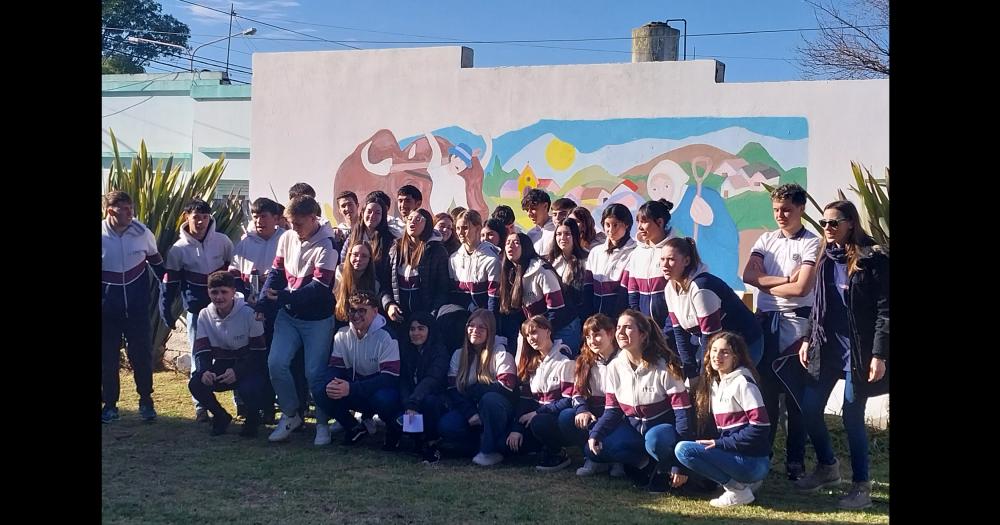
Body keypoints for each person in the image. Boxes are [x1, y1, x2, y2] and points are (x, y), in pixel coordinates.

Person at [793, 200, 889, 510]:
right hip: (826, 347)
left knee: (851, 416)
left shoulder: (873, 259)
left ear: (851, 223)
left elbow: (885, 311)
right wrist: (807, 337)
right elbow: (818, 303)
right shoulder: (825, 256)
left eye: (834, 223)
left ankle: (861, 485)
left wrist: (879, 354)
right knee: (809, 409)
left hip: (858, 352)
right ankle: (828, 467)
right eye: (823, 223)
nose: (828, 228)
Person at [741, 183, 820, 481]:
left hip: (797, 325)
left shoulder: (812, 242)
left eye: (787, 209)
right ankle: (764, 455)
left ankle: (796, 460)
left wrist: (766, 281)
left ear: (801, 208)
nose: (780, 215)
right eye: (776, 209)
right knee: (766, 395)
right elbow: (749, 275)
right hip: (765, 321)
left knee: (795, 397)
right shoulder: (766, 238)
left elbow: (803, 289)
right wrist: (785, 278)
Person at [257, 195, 339, 446]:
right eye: (290, 223)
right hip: (288, 316)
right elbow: (276, 273)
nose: (294, 229)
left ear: (314, 219)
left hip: (318, 319)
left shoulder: (328, 245)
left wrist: (281, 297)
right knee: (275, 363)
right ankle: (291, 415)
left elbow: (319, 288)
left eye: (299, 224)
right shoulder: (287, 237)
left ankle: (323, 424)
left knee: (314, 373)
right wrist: (263, 301)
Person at [587, 310, 693, 493]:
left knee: (655, 439)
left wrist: (679, 465)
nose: (620, 332)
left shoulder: (664, 366)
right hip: (635, 431)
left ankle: (665, 469)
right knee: (596, 448)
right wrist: (596, 433)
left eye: (628, 328)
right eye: (619, 327)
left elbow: (683, 415)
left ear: (643, 335)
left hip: (663, 433)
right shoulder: (614, 367)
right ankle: (645, 466)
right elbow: (612, 410)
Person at [675, 331, 770, 508]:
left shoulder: (743, 382)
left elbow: (760, 427)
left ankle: (738, 490)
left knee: (684, 450)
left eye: (725, 352)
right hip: (734, 456)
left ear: (736, 357)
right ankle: (742, 485)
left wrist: (721, 444)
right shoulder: (714, 383)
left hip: (753, 460)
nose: (717, 356)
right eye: (714, 350)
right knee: (686, 450)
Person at [160, 198, 235, 421]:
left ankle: (240, 401)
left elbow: (235, 274)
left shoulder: (223, 242)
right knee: (198, 354)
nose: (200, 222)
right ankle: (201, 405)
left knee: (234, 350)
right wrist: (166, 310)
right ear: (186, 218)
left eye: (204, 217)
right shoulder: (178, 249)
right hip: (195, 311)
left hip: (226, 309)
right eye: (196, 217)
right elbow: (170, 282)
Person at [101, 190, 165, 424]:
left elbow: (157, 263)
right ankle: (109, 405)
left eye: (131, 208)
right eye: (124, 209)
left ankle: (146, 400)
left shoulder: (142, 232)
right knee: (107, 358)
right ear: (110, 211)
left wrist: (168, 290)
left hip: (137, 308)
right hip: (107, 311)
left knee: (141, 355)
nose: (130, 213)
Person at [661, 237, 763, 382]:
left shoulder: (702, 287)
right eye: (662, 259)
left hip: (746, 342)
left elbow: (710, 336)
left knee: (733, 388)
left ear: (687, 261)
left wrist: (705, 376)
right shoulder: (669, 289)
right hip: (717, 345)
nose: (665, 265)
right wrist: (691, 372)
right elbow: (679, 334)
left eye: (671, 259)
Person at [314, 291, 403, 447]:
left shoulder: (387, 337)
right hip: (354, 390)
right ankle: (354, 428)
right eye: (352, 310)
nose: (356, 315)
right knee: (320, 389)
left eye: (362, 310)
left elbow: (390, 379)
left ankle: (393, 430)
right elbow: (335, 368)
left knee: (385, 399)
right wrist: (331, 382)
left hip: (377, 391)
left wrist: (352, 388)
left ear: (375, 312)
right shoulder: (342, 335)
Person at [188, 271, 268, 437]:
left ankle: (253, 419)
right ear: (208, 292)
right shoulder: (204, 315)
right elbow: (202, 350)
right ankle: (221, 416)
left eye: (224, 292)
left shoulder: (249, 313)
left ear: (233, 292)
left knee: (250, 387)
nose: (219, 297)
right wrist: (205, 371)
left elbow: (259, 353)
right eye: (214, 292)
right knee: (196, 383)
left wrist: (238, 371)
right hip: (223, 364)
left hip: (249, 364)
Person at [438, 309, 518, 466]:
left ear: (491, 330)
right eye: (471, 326)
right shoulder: (458, 354)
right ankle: (477, 443)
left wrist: (475, 391)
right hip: (471, 409)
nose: (475, 331)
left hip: (498, 409)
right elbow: (452, 390)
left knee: (490, 400)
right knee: (446, 426)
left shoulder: (501, 352)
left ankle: (489, 450)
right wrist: (470, 413)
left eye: (482, 327)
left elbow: (507, 387)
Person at [510, 315, 576, 471]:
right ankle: (541, 448)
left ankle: (558, 453)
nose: (531, 338)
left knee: (539, 422)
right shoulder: (533, 362)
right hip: (537, 417)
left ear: (547, 330)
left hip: (557, 419)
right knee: (510, 446)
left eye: (534, 332)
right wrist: (516, 429)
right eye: (527, 335)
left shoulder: (565, 360)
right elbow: (525, 400)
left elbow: (568, 400)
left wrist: (537, 413)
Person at [497, 233, 573, 349]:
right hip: (537, 331)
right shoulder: (511, 273)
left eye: (516, 243)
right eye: (507, 243)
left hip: (562, 328)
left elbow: (557, 311)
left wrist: (540, 334)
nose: (510, 246)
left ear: (526, 247)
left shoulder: (541, 270)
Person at [394, 313, 451, 462]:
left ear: (429, 330)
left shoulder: (440, 351)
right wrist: (408, 403)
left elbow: (432, 380)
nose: (416, 333)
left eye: (421, 328)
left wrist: (413, 402)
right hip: (413, 397)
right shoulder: (406, 350)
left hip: (438, 398)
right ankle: (411, 438)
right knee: (390, 400)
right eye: (412, 329)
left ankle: (432, 441)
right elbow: (404, 380)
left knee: (430, 402)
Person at [382, 208, 451, 324]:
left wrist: (431, 315)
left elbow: (442, 290)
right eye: (410, 218)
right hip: (398, 317)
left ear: (427, 225)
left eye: (418, 219)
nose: (412, 222)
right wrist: (389, 304)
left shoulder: (437, 251)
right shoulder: (395, 249)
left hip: (425, 318)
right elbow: (385, 284)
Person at [625, 199, 677, 338]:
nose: (640, 227)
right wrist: (640, 326)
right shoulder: (637, 253)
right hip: (645, 332)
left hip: (672, 331)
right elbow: (633, 293)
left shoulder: (676, 250)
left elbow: (680, 295)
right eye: (638, 222)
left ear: (660, 222)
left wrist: (667, 332)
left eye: (644, 221)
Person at [584, 203, 636, 318]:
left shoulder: (634, 252)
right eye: (607, 225)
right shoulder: (596, 252)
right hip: (596, 319)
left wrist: (615, 320)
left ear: (626, 225)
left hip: (620, 319)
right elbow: (588, 288)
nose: (611, 230)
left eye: (616, 225)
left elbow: (626, 294)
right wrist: (588, 317)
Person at [546, 218, 589, 352]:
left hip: (574, 323)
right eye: (559, 234)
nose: (562, 238)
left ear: (575, 236)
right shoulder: (551, 262)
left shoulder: (586, 260)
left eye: (567, 234)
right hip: (554, 322)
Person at [521, 189, 555, 256]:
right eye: (527, 210)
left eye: (533, 208)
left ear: (545, 206)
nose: (529, 213)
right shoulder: (530, 235)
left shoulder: (558, 230)